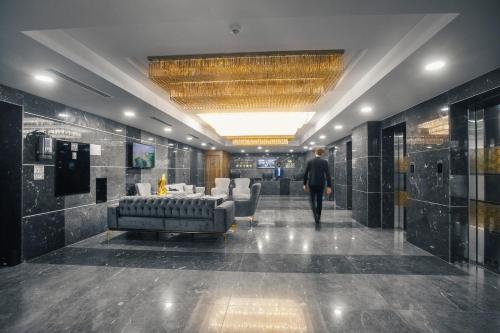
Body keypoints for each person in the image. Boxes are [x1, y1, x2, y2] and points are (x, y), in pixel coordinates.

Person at [303, 148, 332, 223]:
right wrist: (329, 186)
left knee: (312, 200)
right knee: (319, 200)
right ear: (321, 153)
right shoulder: (324, 162)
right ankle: (318, 216)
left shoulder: (310, 162)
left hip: (312, 184)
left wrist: (304, 184)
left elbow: (305, 174)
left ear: (315, 153)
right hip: (321, 184)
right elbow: (328, 174)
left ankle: (315, 215)